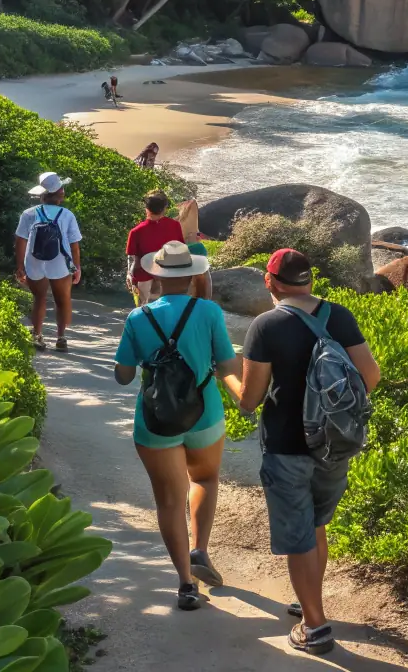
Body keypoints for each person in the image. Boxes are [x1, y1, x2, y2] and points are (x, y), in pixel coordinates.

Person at [237, 249, 381, 656]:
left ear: (270, 282)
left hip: (287, 446)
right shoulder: (339, 315)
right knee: (316, 526)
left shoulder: (266, 325)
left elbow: (250, 399)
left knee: (299, 536)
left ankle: (314, 627)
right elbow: (370, 375)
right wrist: (331, 412)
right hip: (334, 445)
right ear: (310, 281)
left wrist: (229, 376)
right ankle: (307, 602)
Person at [114, 241, 243, 612]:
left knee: (169, 501)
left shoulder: (138, 318)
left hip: (155, 420)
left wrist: (145, 358)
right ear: (191, 275)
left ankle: (186, 584)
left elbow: (123, 376)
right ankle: (200, 548)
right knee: (204, 479)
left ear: (156, 275)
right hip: (204, 413)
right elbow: (226, 365)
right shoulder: (209, 312)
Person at [14, 172, 82, 351]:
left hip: (34, 261)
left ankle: (37, 336)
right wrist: (77, 267)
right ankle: (61, 338)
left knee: (39, 298)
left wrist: (20, 266)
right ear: (59, 193)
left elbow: (20, 240)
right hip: (60, 262)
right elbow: (74, 245)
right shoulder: (67, 215)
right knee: (63, 300)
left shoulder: (28, 213)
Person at [126, 190, 184, 305]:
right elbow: (180, 250)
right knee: (167, 308)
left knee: (143, 309)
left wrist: (129, 274)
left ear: (146, 208)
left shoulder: (136, 231)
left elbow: (133, 257)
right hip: (168, 275)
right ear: (165, 208)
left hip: (143, 275)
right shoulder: (175, 226)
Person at [177, 198, 213, 300]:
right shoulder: (192, 212)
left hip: (184, 249)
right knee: (204, 276)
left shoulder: (175, 219)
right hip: (196, 248)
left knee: (188, 278)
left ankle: (190, 300)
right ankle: (207, 299)